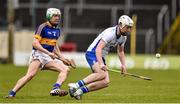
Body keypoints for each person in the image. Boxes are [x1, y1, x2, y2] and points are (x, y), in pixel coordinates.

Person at [6, 8, 71, 98]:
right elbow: (35, 43)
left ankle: (55, 88)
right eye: (55, 16)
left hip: (48, 57)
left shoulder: (57, 30)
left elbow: (54, 46)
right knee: (30, 75)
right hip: (38, 54)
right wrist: (48, 53)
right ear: (49, 16)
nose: (57, 18)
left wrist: (62, 58)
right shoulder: (42, 27)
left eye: (59, 16)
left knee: (65, 69)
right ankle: (12, 93)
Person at [68, 15, 134, 100]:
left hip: (101, 56)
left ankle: (79, 91)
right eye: (128, 27)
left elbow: (120, 51)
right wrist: (101, 64)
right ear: (121, 25)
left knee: (106, 82)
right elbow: (98, 48)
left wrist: (123, 65)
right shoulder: (110, 33)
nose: (129, 30)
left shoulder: (123, 37)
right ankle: (75, 86)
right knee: (101, 74)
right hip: (92, 53)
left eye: (130, 28)